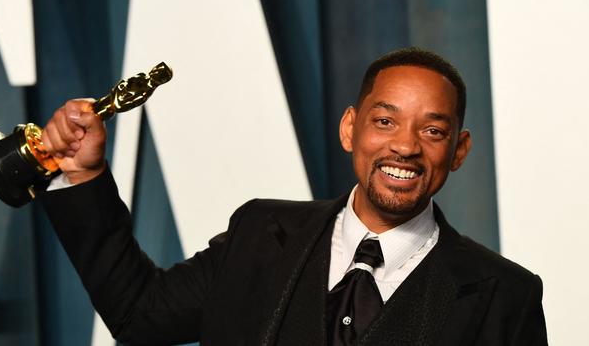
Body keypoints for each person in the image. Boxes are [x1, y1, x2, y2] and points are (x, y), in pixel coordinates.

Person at [38, 47, 547, 345]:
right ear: (351, 128)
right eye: (385, 121)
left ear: (459, 150)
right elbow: (138, 313)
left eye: (432, 132)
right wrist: (84, 176)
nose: (405, 146)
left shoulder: (506, 298)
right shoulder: (259, 234)